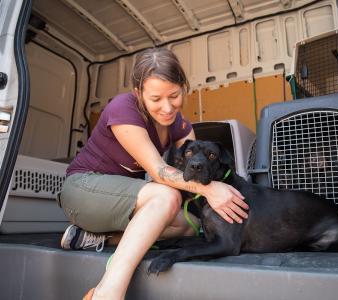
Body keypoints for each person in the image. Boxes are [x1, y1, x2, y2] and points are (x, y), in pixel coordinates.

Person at [59, 47, 249, 300]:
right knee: (166, 197)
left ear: (183, 87)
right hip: (84, 190)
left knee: (191, 226)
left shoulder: (180, 125)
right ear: (139, 93)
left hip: (124, 205)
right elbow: (160, 172)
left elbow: (190, 173)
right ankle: (107, 293)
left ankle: (95, 239)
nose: (167, 107)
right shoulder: (123, 108)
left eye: (174, 95)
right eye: (156, 99)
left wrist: (223, 186)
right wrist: (210, 189)